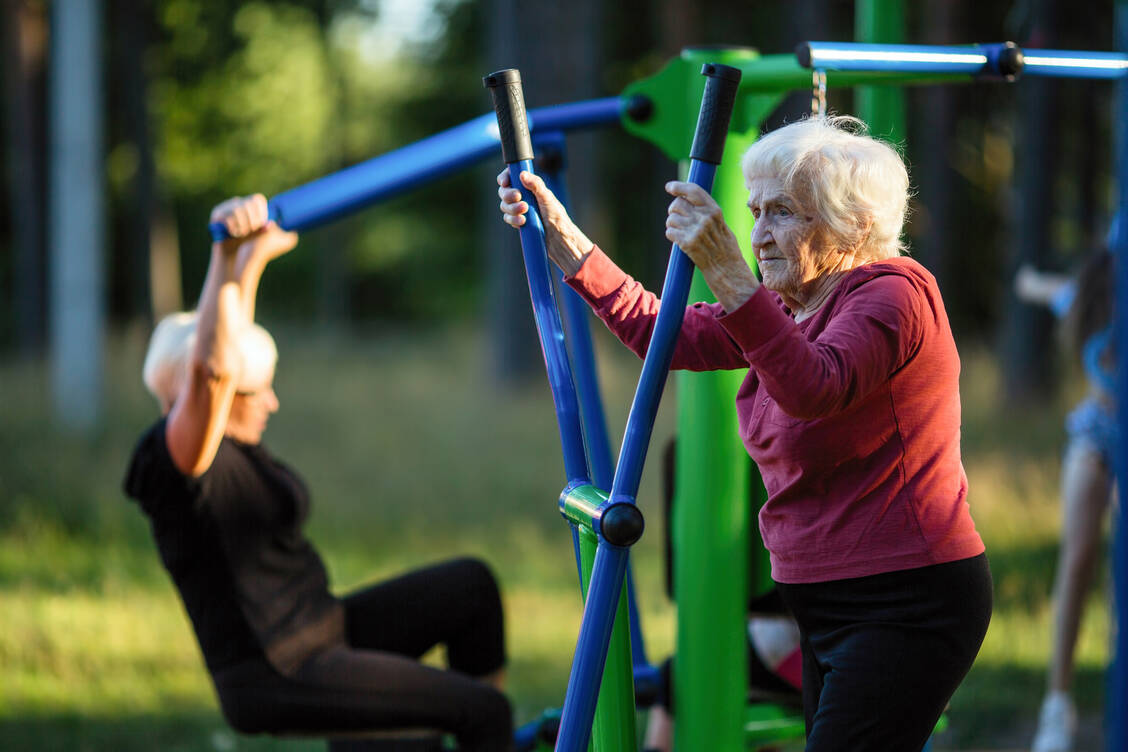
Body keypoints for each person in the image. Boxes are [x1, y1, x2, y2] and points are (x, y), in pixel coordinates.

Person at [497, 115, 992, 752]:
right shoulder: (791, 306)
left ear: (857, 225)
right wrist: (562, 239)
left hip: (904, 597)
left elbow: (814, 387)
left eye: (783, 212)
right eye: (755, 212)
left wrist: (728, 272)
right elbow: (661, 330)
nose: (758, 234)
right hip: (820, 600)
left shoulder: (894, 295)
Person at [124, 195, 513, 751]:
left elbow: (232, 352)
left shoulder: (232, 441)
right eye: (256, 391)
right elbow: (213, 368)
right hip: (280, 668)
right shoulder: (182, 463)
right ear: (218, 394)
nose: (271, 402)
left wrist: (249, 263)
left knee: (469, 589)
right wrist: (222, 253)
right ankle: (478, 731)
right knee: (483, 712)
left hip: (324, 630)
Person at [1015, 243, 1119, 752]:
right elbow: (1051, 289)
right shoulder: (1091, 297)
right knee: (1077, 561)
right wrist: (1029, 278)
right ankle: (1058, 704)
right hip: (1099, 434)